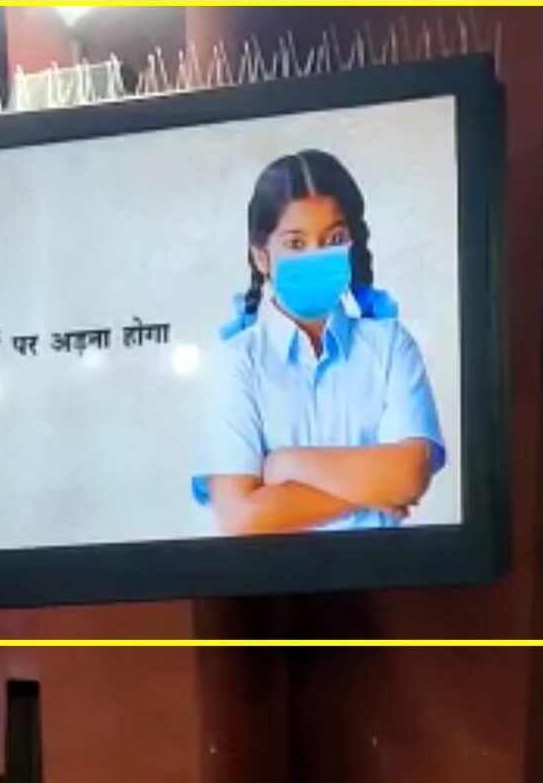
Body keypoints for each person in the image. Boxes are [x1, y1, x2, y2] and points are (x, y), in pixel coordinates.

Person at [191, 149, 446, 534]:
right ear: (261, 257)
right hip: (273, 576)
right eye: (296, 243)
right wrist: (374, 486)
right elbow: (241, 518)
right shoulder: (235, 361)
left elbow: (409, 476)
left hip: (386, 571)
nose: (317, 255)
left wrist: (285, 464)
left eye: (334, 239)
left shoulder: (391, 345)